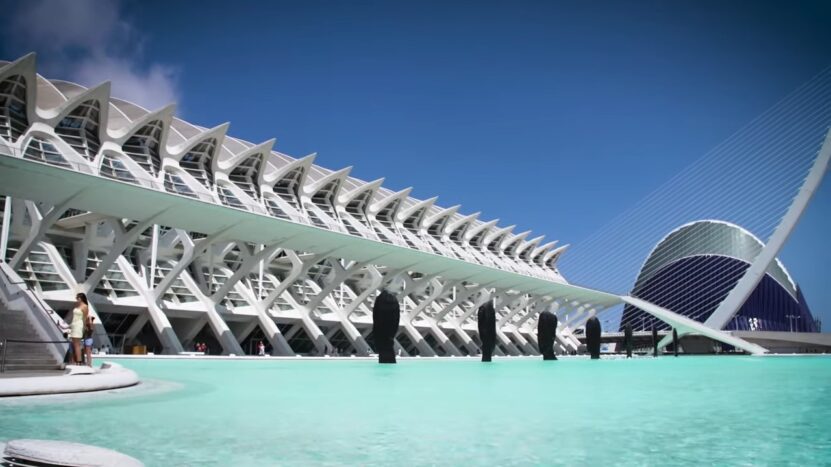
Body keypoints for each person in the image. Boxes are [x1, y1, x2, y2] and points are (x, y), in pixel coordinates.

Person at [69, 293, 90, 366]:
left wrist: (85, 327)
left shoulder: (85, 306)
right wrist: (70, 325)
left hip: (79, 325)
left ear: (81, 298)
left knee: (77, 344)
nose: (76, 299)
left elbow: (85, 318)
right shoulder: (77, 306)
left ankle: (79, 361)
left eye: (77, 298)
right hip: (74, 324)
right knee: (74, 344)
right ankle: (77, 360)